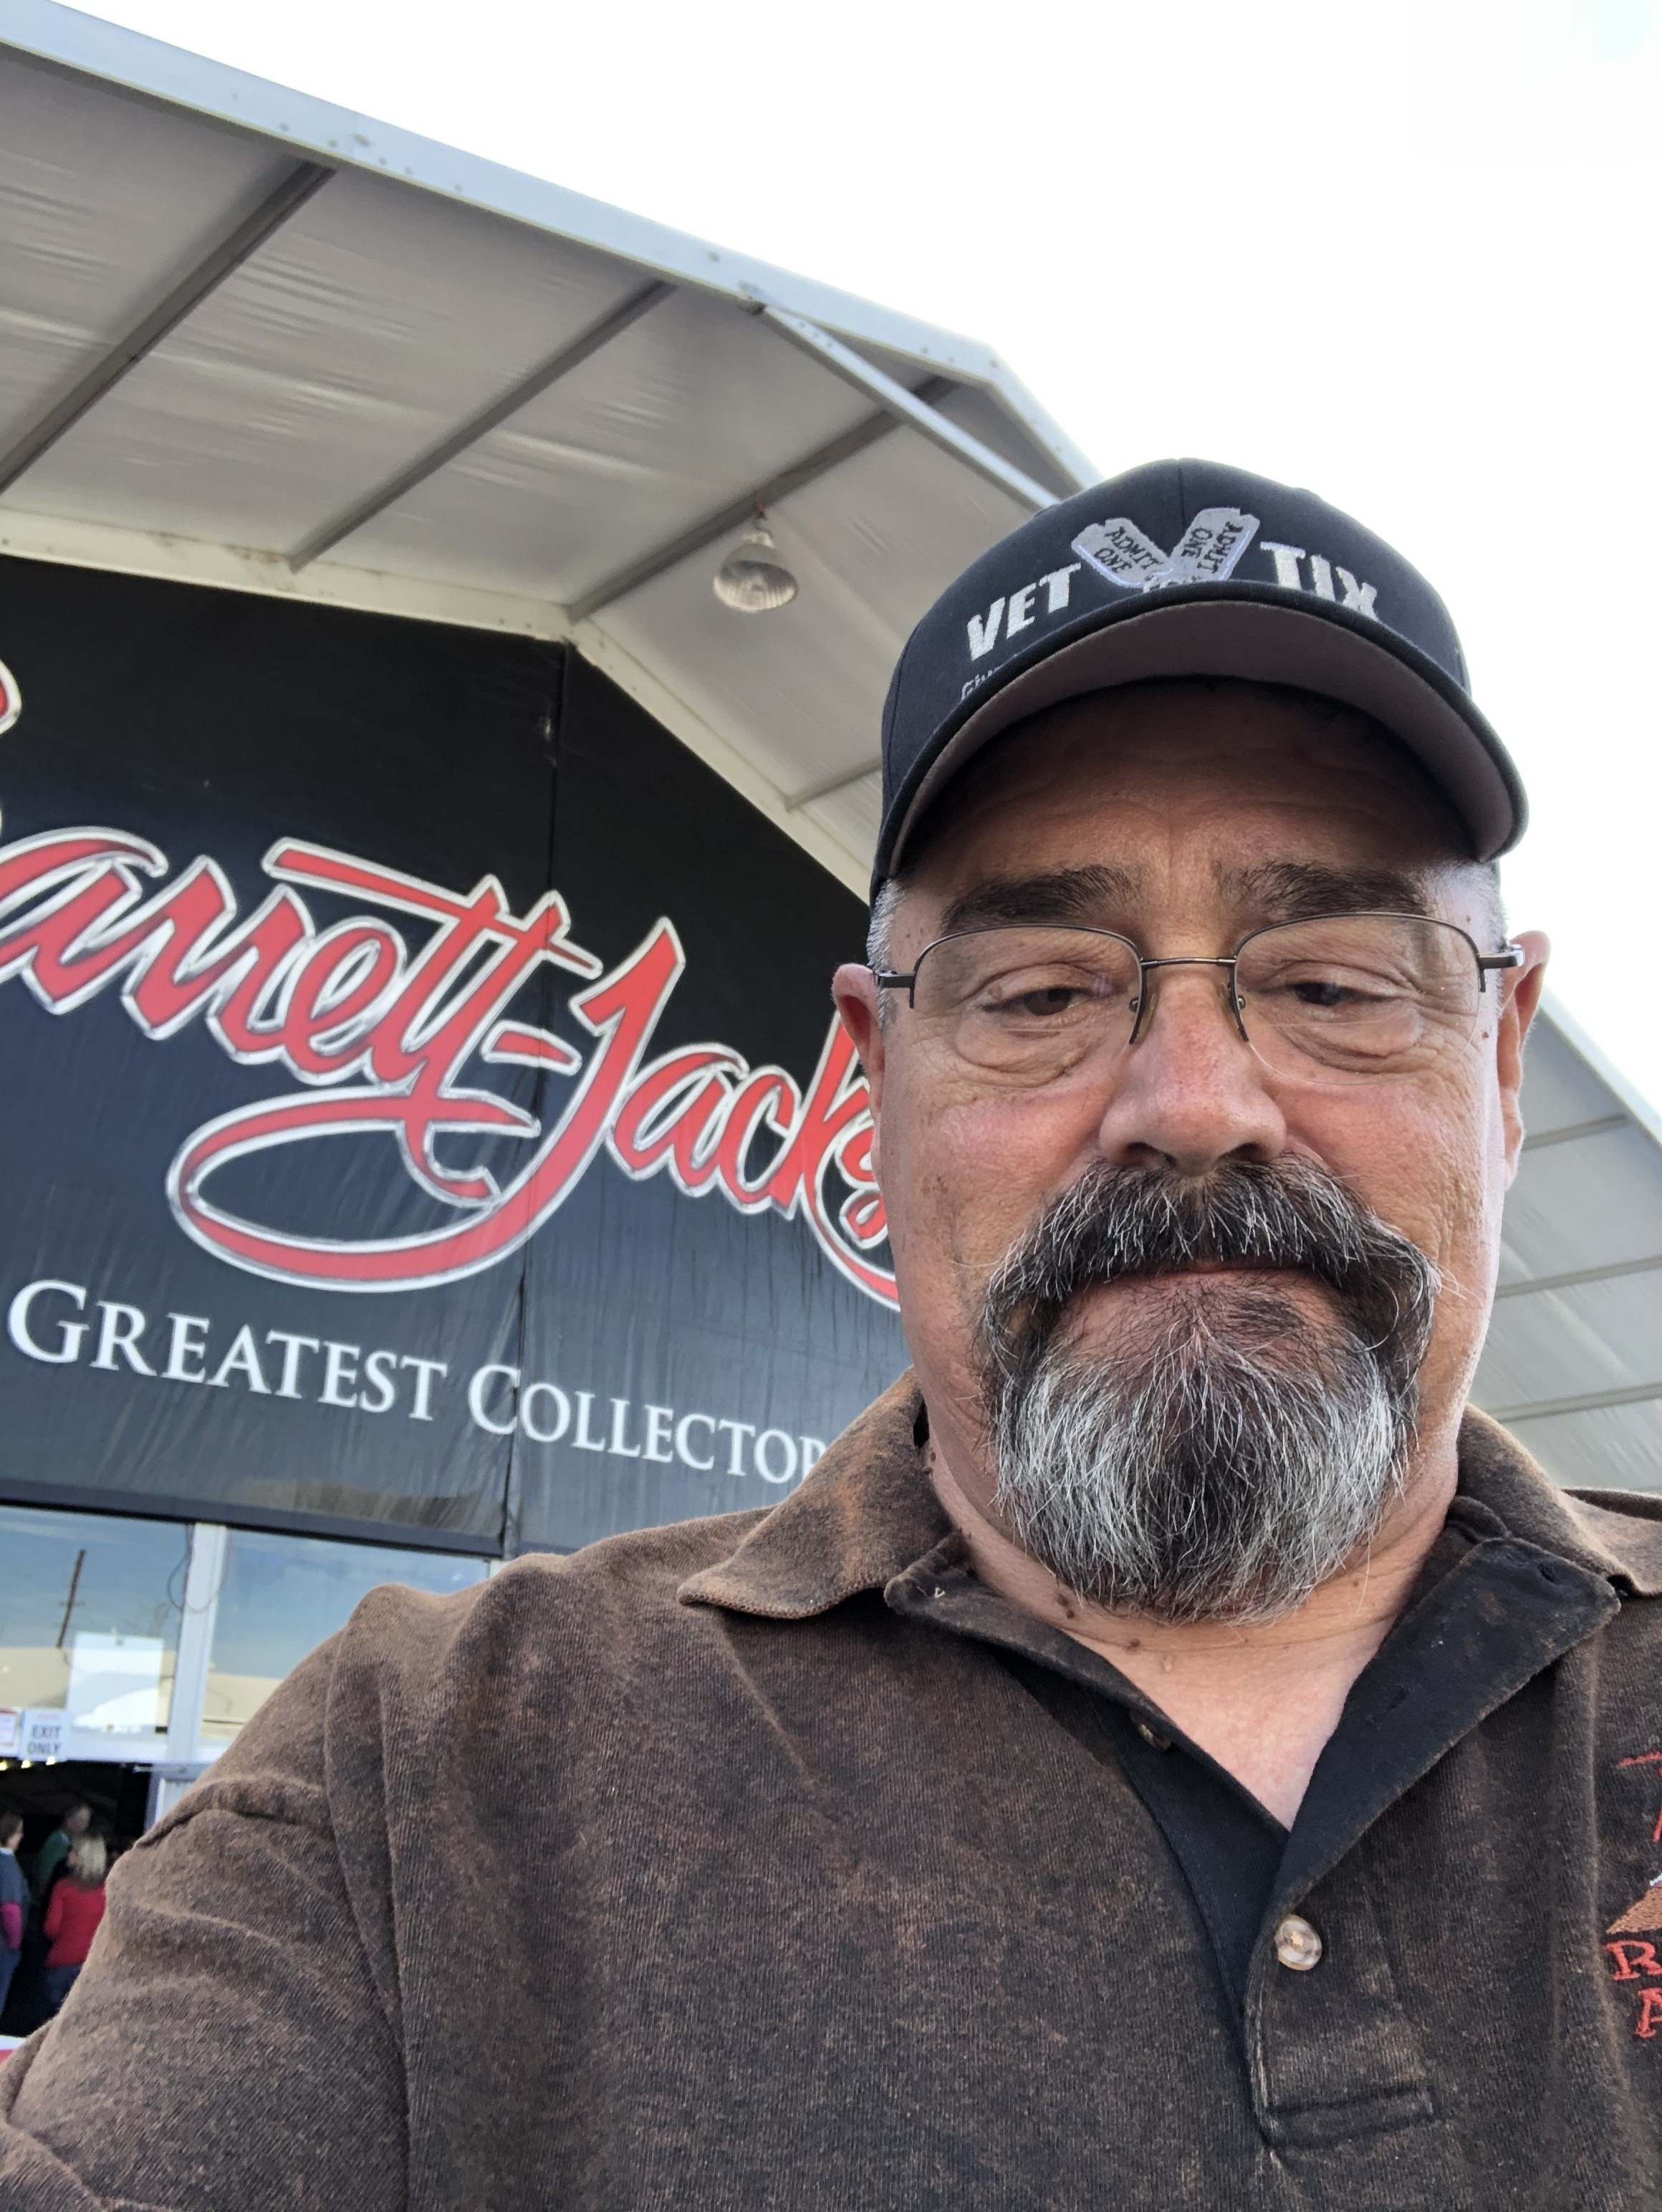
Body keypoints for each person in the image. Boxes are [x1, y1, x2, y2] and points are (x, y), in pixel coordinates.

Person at [0, 458, 1656, 2211]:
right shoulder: (417, 1779)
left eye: (1330, 983)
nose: (1190, 1102)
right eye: (1041, 992)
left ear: (1498, 1061)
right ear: (873, 1084)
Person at [38, 1836, 106, 2017]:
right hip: (93, 1963)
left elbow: (51, 1929)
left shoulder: (64, 1887)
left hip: (62, 1960)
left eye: (73, 1851)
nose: (68, 1855)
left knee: (52, 2018)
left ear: (82, 1856)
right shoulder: (108, 1890)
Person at [27, 1802, 88, 1905]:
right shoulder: (57, 1844)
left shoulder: (68, 1842)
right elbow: (44, 1882)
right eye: (83, 1821)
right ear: (69, 1821)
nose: (86, 1826)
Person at [0, 1811, 26, 2017]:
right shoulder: (7, 1865)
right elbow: (10, 1912)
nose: (21, 1837)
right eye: (19, 1832)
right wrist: (15, 1945)